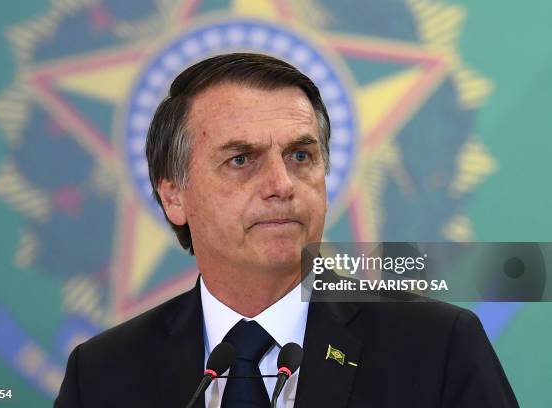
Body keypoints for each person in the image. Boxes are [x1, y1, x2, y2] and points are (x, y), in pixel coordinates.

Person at [54, 53, 518, 407]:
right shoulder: (100, 375)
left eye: (301, 156)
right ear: (174, 195)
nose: (281, 185)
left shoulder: (437, 347)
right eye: (241, 160)